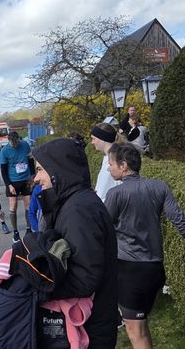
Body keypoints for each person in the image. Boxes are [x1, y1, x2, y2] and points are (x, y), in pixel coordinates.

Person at [104, 142, 185, 349]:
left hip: (129, 271)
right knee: (141, 328)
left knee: (135, 332)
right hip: (155, 269)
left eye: (111, 164)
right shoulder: (159, 187)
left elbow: (102, 232)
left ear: (124, 165)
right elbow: (182, 223)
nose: (109, 168)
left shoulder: (115, 195)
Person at [30, 138, 118, 348]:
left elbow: (84, 278)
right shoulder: (73, 203)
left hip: (89, 328)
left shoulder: (79, 210)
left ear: (57, 170)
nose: (36, 178)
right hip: (87, 324)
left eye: (40, 170)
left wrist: (36, 286)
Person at [0, 131, 33, 237]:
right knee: (13, 206)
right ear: (9, 141)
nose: (15, 145)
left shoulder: (24, 145)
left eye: (16, 143)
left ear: (19, 139)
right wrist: (9, 185)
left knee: (28, 206)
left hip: (26, 179)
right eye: (13, 143)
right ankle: (15, 231)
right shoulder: (4, 151)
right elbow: (3, 171)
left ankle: (29, 229)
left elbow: (30, 160)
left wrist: (33, 176)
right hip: (13, 181)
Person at [91, 123, 123, 202]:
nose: (92, 142)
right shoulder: (109, 158)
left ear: (102, 139)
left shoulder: (112, 161)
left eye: (93, 139)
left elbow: (102, 193)